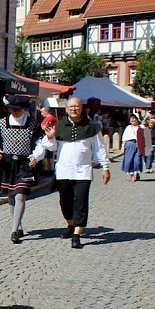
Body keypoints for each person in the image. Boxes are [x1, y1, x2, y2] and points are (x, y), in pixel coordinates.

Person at [43, 97, 110, 249]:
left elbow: (99, 148)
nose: (74, 109)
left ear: (82, 109)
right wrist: (50, 136)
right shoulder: (58, 126)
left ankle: (77, 234)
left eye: (77, 107)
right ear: (66, 109)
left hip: (83, 171)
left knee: (81, 202)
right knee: (65, 201)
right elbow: (51, 147)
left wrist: (105, 167)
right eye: (71, 107)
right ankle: (70, 224)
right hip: (63, 170)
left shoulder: (91, 127)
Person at [0, 95, 46, 244]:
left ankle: (13, 231)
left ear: (24, 109)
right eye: (12, 109)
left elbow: (39, 144)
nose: (14, 111)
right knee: (11, 196)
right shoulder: (1, 123)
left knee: (20, 195)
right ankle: (18, 225)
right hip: (6, 164)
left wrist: (36, 156)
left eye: (17, 109)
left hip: (24, 165)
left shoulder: (33, 124)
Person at [120, 114, 146, 182]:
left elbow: (146, 137)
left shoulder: (142, 127)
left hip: (139, 144)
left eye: (133, 118)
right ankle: (131, 175)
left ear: (137, 119)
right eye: (131, 118)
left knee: (137, 160)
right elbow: (124, 137)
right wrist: (123, 146)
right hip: (130, 144)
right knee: (129, 160)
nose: (132, 120)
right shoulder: (128, 127)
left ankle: (136, 172)